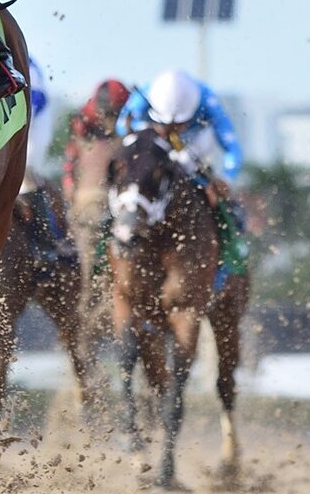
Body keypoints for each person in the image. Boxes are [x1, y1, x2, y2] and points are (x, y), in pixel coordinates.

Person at [122, 68, 249, 290]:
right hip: (152, 145)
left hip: (194, 148)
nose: (172, 129)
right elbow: (121, 126)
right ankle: (102, 263)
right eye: (169, 124)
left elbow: (232, 148)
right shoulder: (145, 93)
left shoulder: (207, 99)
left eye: (178, 124)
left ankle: (224, 270)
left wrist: (225, 180)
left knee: (228, 208)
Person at [62, 79, 131, 344]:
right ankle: (82, 325)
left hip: (121, 207)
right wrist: (69, 184)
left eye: (114, 115)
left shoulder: (129, 129)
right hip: (88, 209)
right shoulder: (83, 124)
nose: (109, 120)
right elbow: (70, 162)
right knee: (88, 273)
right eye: (107, 114)